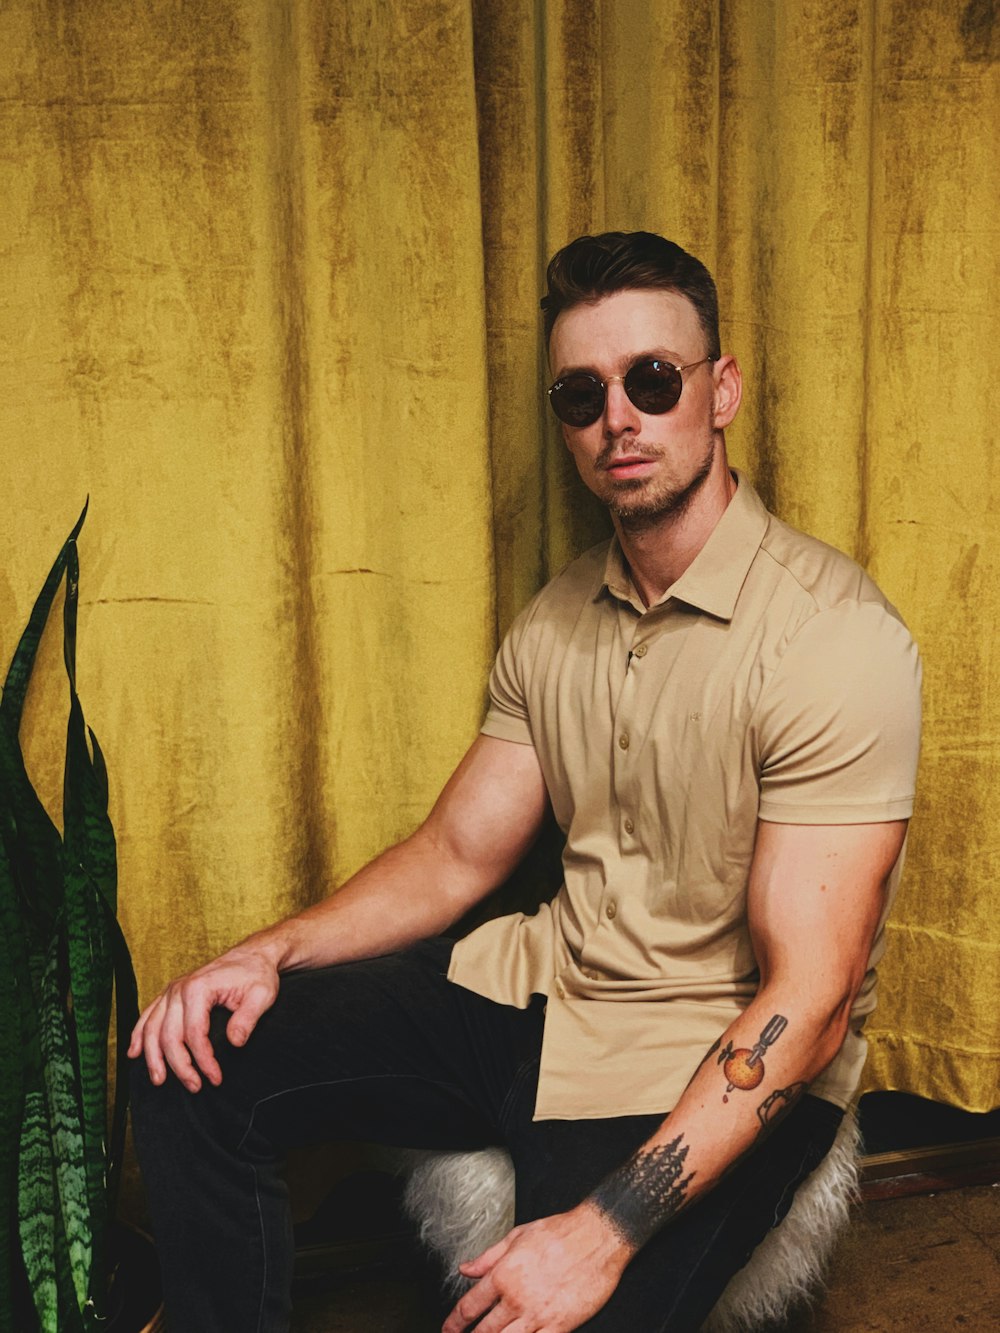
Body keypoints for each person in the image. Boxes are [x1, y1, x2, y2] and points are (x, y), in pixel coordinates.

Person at [129, 231, 922, 1333]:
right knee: (189, 1064)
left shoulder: (835, 640)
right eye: (581, 392)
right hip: (541, 999)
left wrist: (600, 1230)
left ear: (720, 389)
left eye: (652, 379)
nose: (619, 419)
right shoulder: (554, 621)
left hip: (706, 1052)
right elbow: (456, 854)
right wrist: (266, 952)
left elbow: (811, 999)